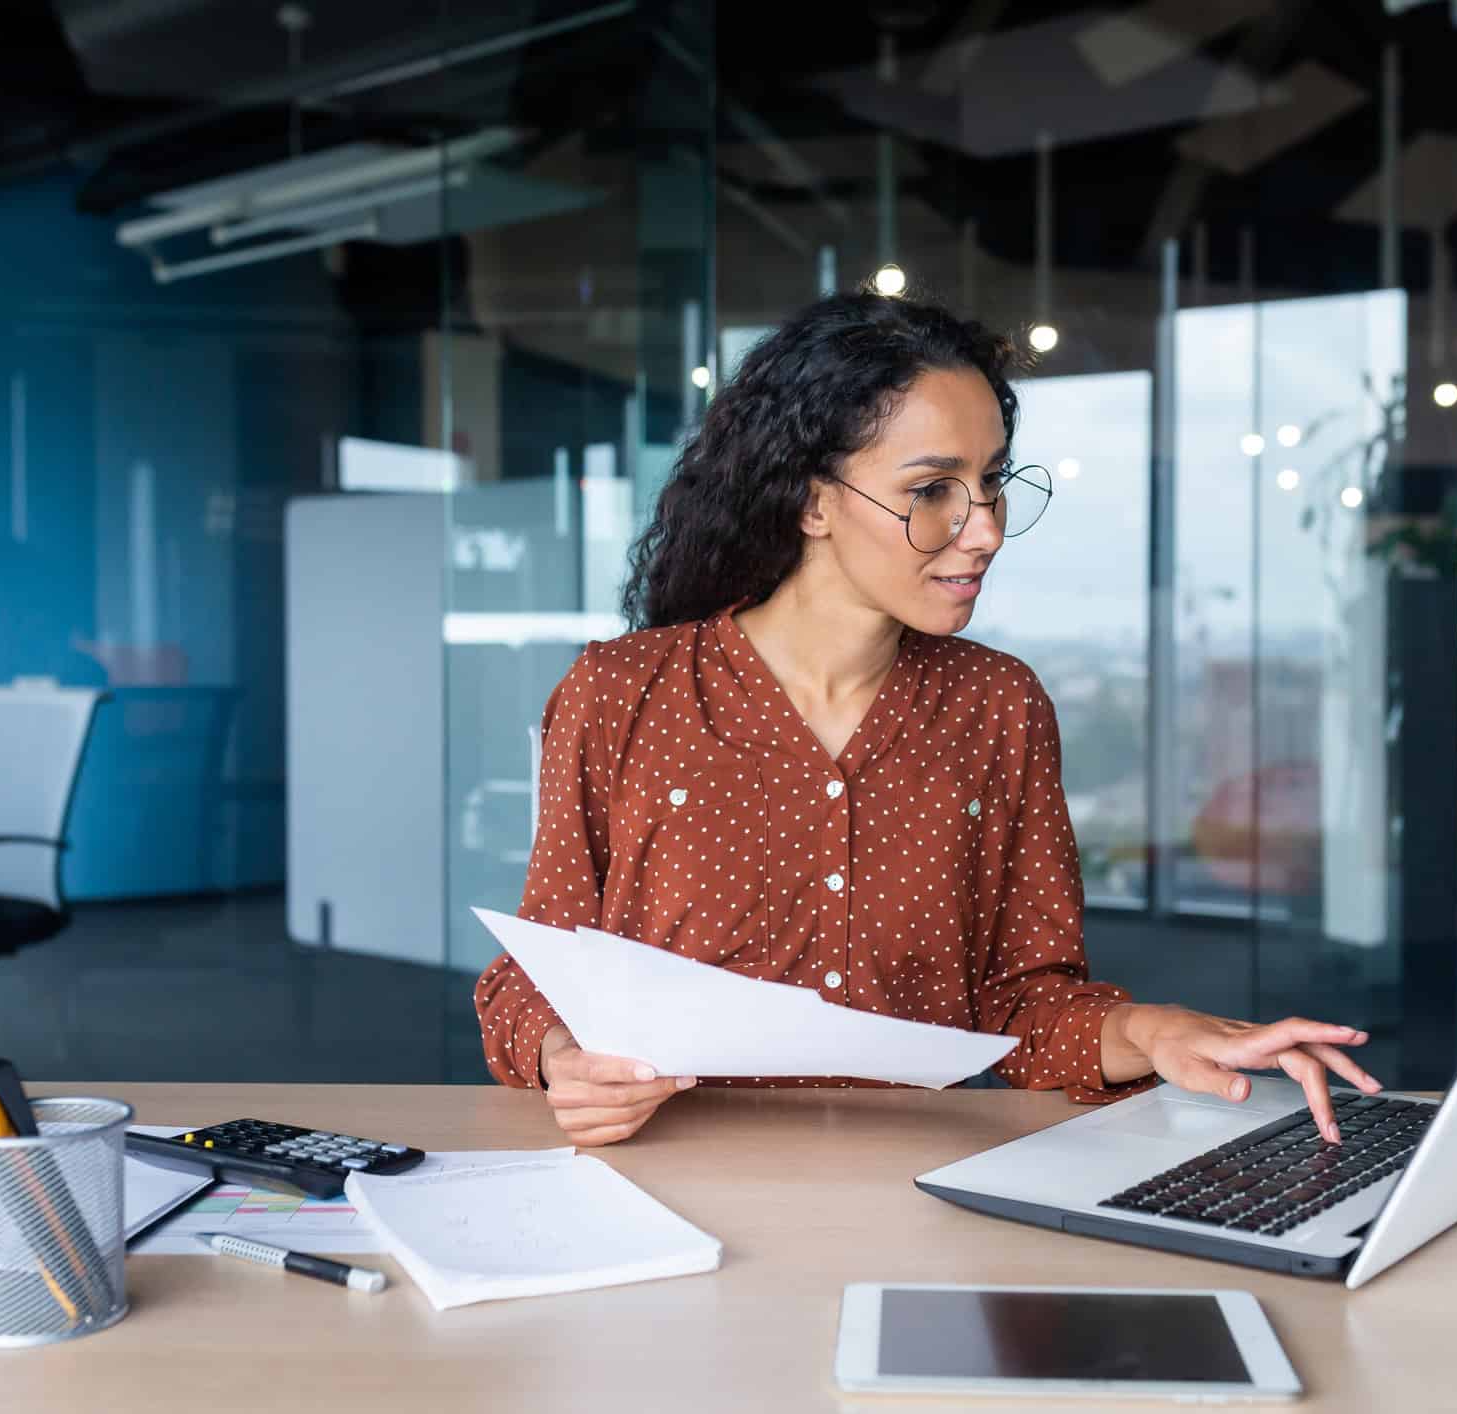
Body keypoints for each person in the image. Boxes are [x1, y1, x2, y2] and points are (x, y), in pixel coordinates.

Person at [473, 292, 1378, 1146]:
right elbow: (536, 973)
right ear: (811, 499)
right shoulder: (621, 692)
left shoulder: (997, 706)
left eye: (990, 483)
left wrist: (1158, 1031)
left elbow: (1025, 1010)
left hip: (914, 1186)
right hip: (661, 1181)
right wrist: (563, 1059)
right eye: (932, 488)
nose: (982, 527)